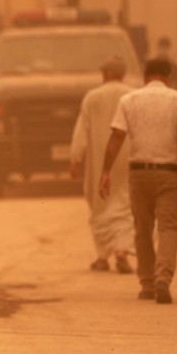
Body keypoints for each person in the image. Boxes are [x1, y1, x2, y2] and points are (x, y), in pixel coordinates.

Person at [99, 59, 177, 304]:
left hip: (138, 173)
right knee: (168, 227)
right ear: (168, 77)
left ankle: (147, 284)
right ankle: (163, 278)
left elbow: (117, 136)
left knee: (142, 229)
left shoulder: (129, 100)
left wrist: (105, 172)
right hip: (169, 173)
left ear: (145, 77)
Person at [70, 58, 135, 273]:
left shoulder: (92, 97)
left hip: (99, 163)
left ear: (105, 73)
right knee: (125, 204)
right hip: (127, 159)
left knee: (100, 206)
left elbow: (82, 130)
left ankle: (102, 256)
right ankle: (121, 252)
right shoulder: (132, 95)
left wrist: (75, 158)